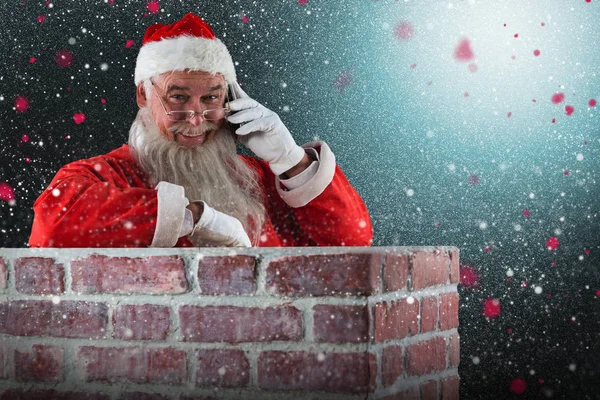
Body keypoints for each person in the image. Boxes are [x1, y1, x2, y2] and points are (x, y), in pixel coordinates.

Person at [28, 13, 372, 248]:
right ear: (143, 95)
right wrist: (195, 216)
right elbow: (52, 227)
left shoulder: (261, 181)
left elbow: (354, 240)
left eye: (212, 98)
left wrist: (292, 160)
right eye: (177, 97)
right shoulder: (106, 176)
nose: (196, 119)